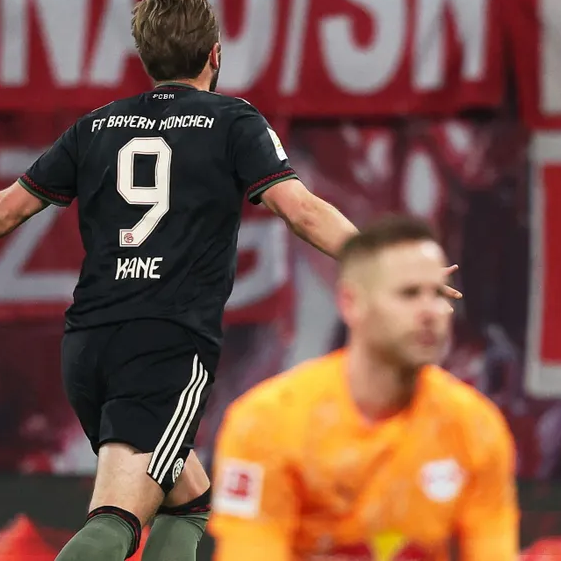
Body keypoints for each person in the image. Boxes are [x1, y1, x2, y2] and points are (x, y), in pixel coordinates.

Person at [0, 0, 460, 561]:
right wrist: (381, 267)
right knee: (117, 516)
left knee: (188, 499)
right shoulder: (234, 121)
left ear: (146, 61)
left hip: (89, 350)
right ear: (214, 55)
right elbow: (302, 209)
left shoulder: (97, 126)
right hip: (167, 344)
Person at [208, 216, 519, 561]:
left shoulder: (475, 427)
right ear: (350, 303)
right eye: (409, 294)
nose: (431, 312)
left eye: (438, 294)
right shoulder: (266, 422)